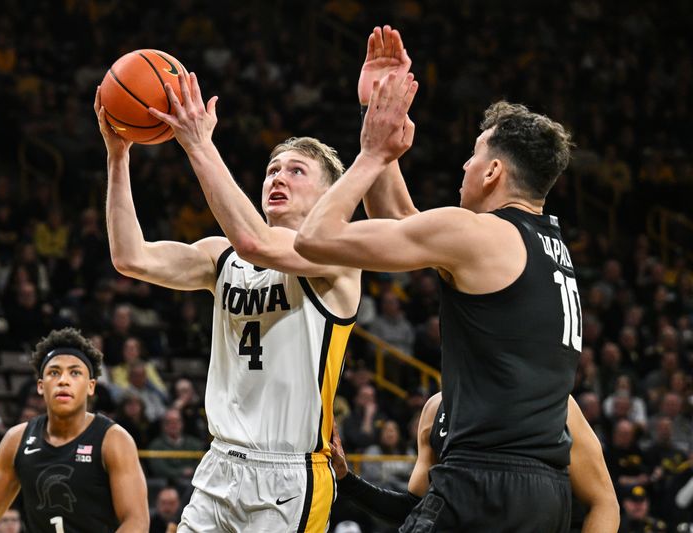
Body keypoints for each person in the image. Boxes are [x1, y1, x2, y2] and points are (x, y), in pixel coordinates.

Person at [96, 25, 412, 533]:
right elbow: (130, 257)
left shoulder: (335, 254)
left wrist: (197, 142)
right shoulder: (220, 256)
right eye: (271, 170)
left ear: (329, 194)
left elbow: (257, 244)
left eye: (296, 171)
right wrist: (119, 155)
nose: (277, 178)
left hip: (289, 477)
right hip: (220, 464)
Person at [295, 51, 580, 531]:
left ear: (493, 173)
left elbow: (314, 239)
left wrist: (370, 154)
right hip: (545, 494)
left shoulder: (477, 233)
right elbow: (404, 228)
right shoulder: (547, 248)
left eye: (473, 155)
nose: (464, 166)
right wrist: (375, 107)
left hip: (480, 483)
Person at [330, 393, 620, 532]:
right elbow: (413, 508)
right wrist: (347, 480)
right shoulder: (436, 408)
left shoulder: (552, 402)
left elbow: (604, 503)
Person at [0, 328, 149, 532]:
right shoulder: (17, 439)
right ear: (41, 385)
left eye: (75, 372)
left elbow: (136, 521)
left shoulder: (113, 439)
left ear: (91, 386)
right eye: (54, 372)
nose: (63, 381)